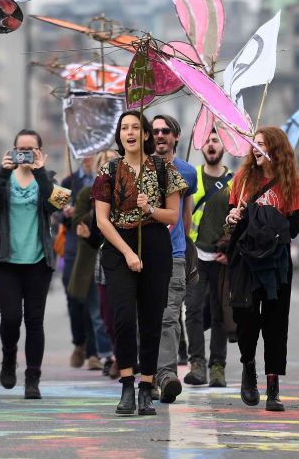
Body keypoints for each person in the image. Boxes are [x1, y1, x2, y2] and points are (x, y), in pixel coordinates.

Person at [92, 110, 187, 416]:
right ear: (119, 135)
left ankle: (146, 386)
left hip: (156, 246)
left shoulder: (164, 169)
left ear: (145, 134)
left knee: (151, 319)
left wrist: (152, 208)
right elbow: (102, 221)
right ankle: (126, 384)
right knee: (121, 318)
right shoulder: (109, 170)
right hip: (119, 248)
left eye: (136, 127)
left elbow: (173, 216)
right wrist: (129, 253)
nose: (130, 132)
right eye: (124, 128)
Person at [226, 127, 299, 412]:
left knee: (275, 326)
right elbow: (232, 217)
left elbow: (294, 229)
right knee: (246, 318)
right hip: (246, 261)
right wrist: (234, 215)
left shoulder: (291, 183)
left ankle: (273, 387)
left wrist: (263, 218)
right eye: (254, 144)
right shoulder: (243, 178)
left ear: (275, 149)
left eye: (261, 144)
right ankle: (248, 367)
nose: (255, 149)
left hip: (276, 262)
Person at [0, 129, 57, 400]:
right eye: (20, 149)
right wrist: (2, 173)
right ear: (11, 150)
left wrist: (40, 171)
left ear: (40, 152)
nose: (25, 155)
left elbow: (55, 206)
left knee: (35, 320)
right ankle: (9, 357)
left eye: (31, 150)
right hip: (6, 261)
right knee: (11, 317)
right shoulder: (0, 176)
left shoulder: (48, 178)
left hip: (38, 261)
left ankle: (32, 378)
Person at [150, 114, 196, 404]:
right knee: (147, 319)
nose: (159, 135)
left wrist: (182, 243)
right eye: (154, 131)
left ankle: (167, 376)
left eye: (165, 130)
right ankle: (148, 376)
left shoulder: (188, 172)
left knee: (169, 318)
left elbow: (186, 214)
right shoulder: (140, 169)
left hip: (175, 255)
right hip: (144, 256)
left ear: (176, 136)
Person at [184, 129, 234, 388]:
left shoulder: (234, 182)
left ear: (222, 146)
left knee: (218, 313)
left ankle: (217, 367)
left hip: (221, 258)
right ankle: (197, 364)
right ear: (200, 147)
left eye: (215, 140)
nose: (211, 145)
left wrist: (231, 250)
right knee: (192, 310)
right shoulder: (192, 176)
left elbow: (239, 220)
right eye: (206, 141)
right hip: (195, 256)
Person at [72, 149, 120, 377]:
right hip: (97, 260)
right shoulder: (90, 192)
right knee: (102, 315)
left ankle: (120, 357)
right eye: (104, 161)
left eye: (113, 160)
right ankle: (107, 353)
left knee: (124, 314)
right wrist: (87, 224)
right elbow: (87, 230)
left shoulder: (128, 187)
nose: (109, 164)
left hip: (125, 259)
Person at [58, 155, 99, 369]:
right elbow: (54, 210)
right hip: (75, 246)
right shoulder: (68, 182)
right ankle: (79, 343)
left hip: (98, 245)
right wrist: (65, 212)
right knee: (75, 297)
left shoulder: (104, 179)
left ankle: (94, 352)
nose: (88, 157)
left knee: (95, 300)